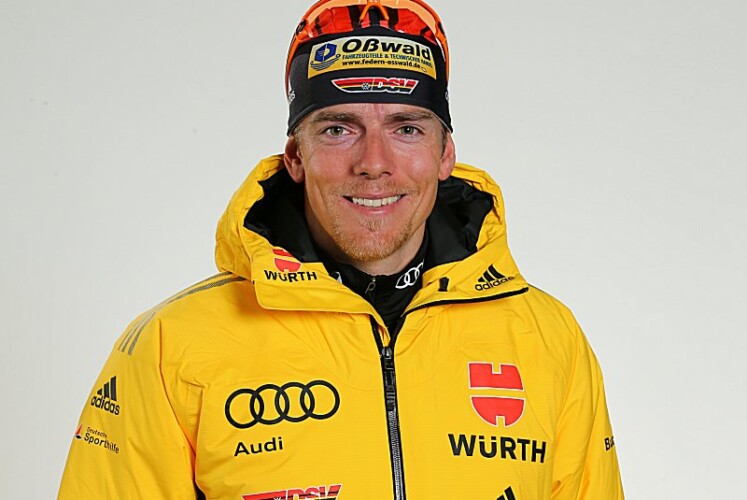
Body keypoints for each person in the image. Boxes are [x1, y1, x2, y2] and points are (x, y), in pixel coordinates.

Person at [59, 1, 624, 498]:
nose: (374, 163)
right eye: (338, 129)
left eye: (406, 128)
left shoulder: (549, 340)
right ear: (295, 156)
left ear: (445, 154)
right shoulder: (170, 347)